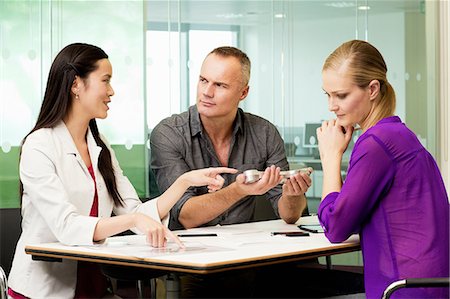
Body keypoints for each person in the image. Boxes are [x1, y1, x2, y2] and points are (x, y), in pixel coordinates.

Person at [7, 43, 236, 299]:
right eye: (105, 81)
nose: (111, 91)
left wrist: (184, 182)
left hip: (93, 286)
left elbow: (135, 212)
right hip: (43, 291)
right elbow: (67, 227)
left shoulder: (100, 144)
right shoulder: (39, 146)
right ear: (75, 85)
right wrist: (133, 221)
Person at [317, 39, 449, 299]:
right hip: (430, 283)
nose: (332, 106)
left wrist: (331, 158)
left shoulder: (376, 143)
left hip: (403, 288)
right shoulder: (398, 134)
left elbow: (336, 228)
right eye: (328, 95)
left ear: (373, 89)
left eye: (341, 95)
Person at [150, 46, 311, 232]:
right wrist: (238, 190)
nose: (207, 92)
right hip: (188, 253)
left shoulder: (264, 133)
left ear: (243, 93)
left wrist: (293, 195)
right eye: (203, 80)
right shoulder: (169, 133)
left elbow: (289, 215)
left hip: (245, 249)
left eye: (220, 85)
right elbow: (185, 216)